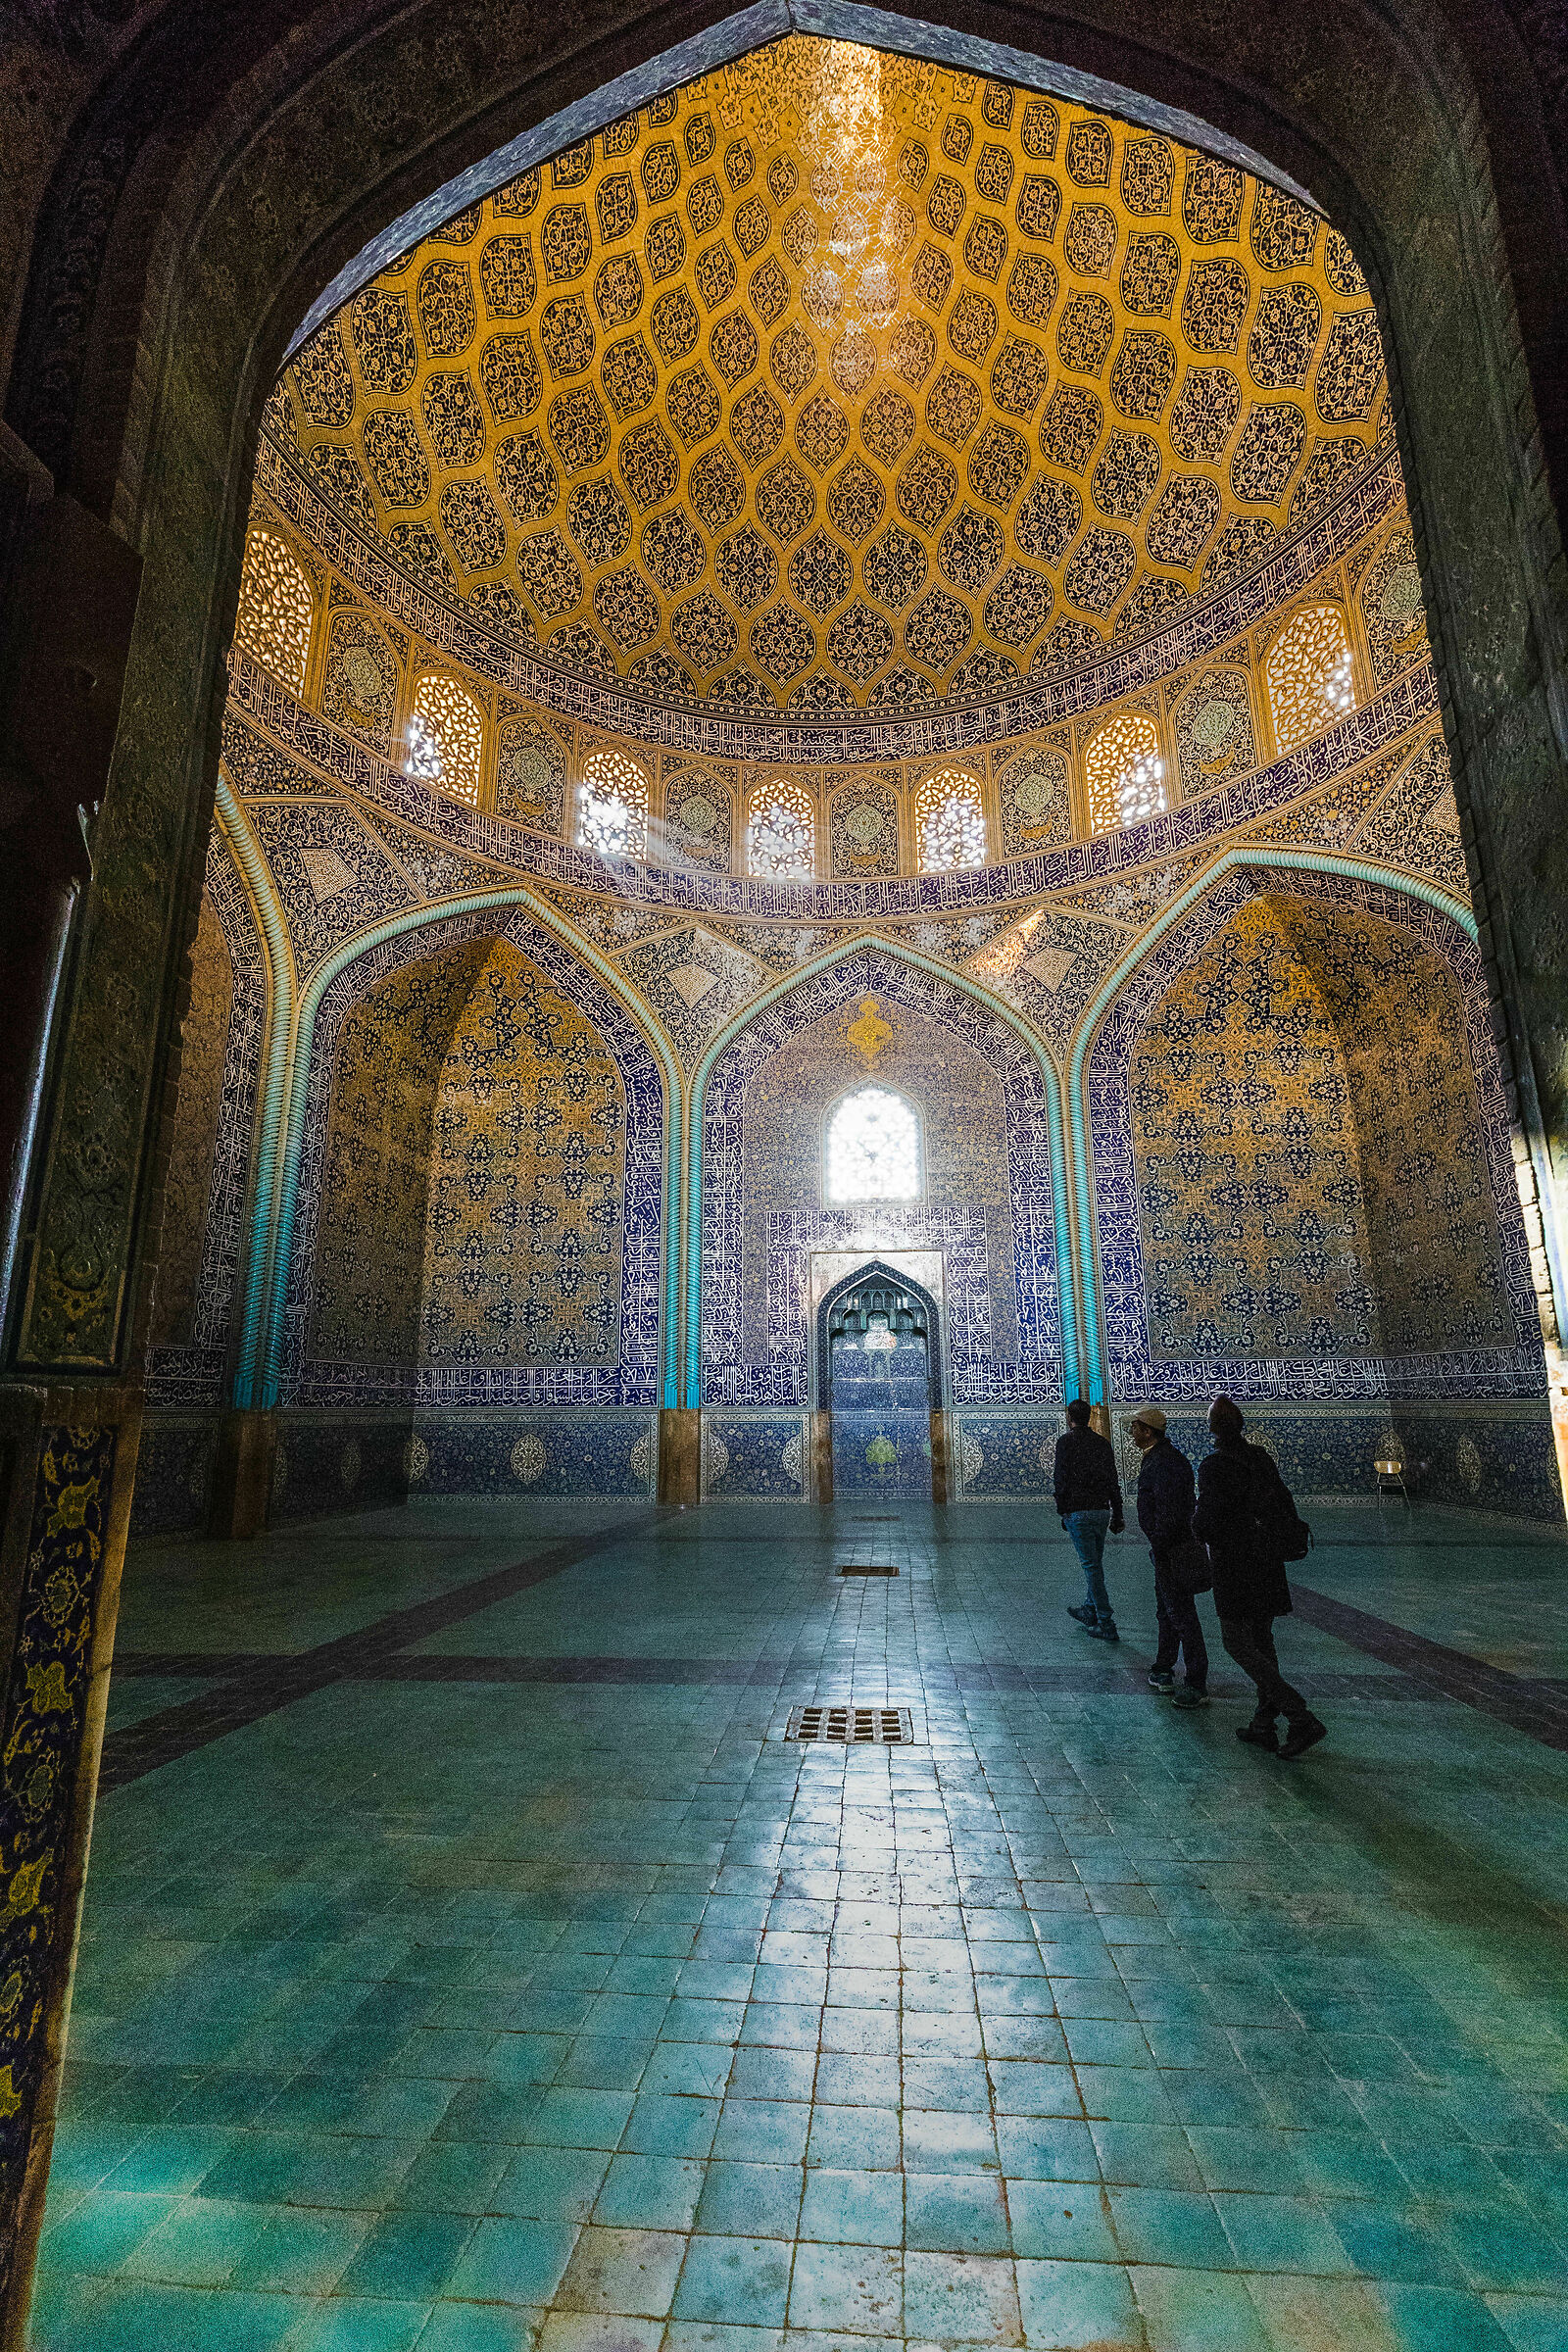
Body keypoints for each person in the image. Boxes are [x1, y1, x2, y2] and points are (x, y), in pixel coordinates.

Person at [1192, 1396, 1327, 1760]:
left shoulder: (1215, 1466)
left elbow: (1207, 1521)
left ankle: (1299, 1716)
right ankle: (1264, 1723)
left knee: (1237, 1643)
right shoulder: (1260, 1458)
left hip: (1236, 1567)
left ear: (1213, 1429)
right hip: (1267, 1562)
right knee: (1262, 1641)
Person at [1127, 1407, 1208, 1711]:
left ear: (1148, 1431)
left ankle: (1196, 1682)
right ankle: (1164, 1667)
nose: (1132, 1432)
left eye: (1135, 1427)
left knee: (1182, 1614)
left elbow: (1170, 1511)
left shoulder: (1164, 1463)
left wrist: (1160, 1542)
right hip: (1165, 1548)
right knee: (1167, 1609)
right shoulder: (1162, 1458)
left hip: (1171, 1549)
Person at [1053, 1398, 1124, 1642]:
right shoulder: (1102, 1444)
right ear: (1090, 1416)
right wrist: (1118, 1513)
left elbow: (1060, 1480)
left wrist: (1064, 1511)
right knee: (1094, 1563)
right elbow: (1113, 1481)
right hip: (1101, 1512)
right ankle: (1089, 1610)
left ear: (1068, 1416)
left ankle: (1106, 1622)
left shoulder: (1065, 1443)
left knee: (1092, 1568)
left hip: (1079, 1513)